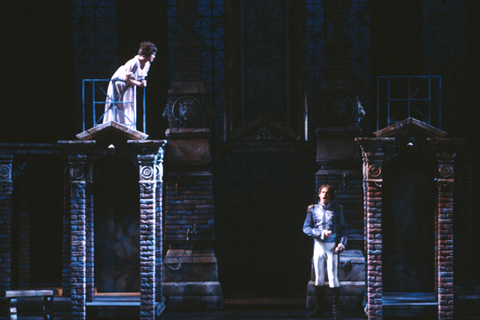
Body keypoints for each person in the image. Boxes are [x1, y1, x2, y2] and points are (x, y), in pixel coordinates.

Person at [303, 184, 347, 319]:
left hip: (331, 247)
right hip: (318, 247)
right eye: (322, 192)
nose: (324, 195)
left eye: (327, 193)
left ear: (331, 196)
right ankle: (319, 309)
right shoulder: (312, 210)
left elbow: (343, 229)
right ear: (319, 194)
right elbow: (306, 228)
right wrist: (320, 233)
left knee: (333, 278)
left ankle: (335, 312)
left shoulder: (337, 209)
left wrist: (342, 244)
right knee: (319, 278)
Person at [102, 41, 157, 129]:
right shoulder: (134, 62)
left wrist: (143, 81)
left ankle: (126, 127)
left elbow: (142, 76)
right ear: (148, 54)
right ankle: (113, 126)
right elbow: (126, 78)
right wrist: (139, 84)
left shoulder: (147, 64)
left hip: (129, 85)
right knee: (117, 104)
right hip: (119, 82)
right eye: (153, 54)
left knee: (128, 106)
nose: (154, 56)